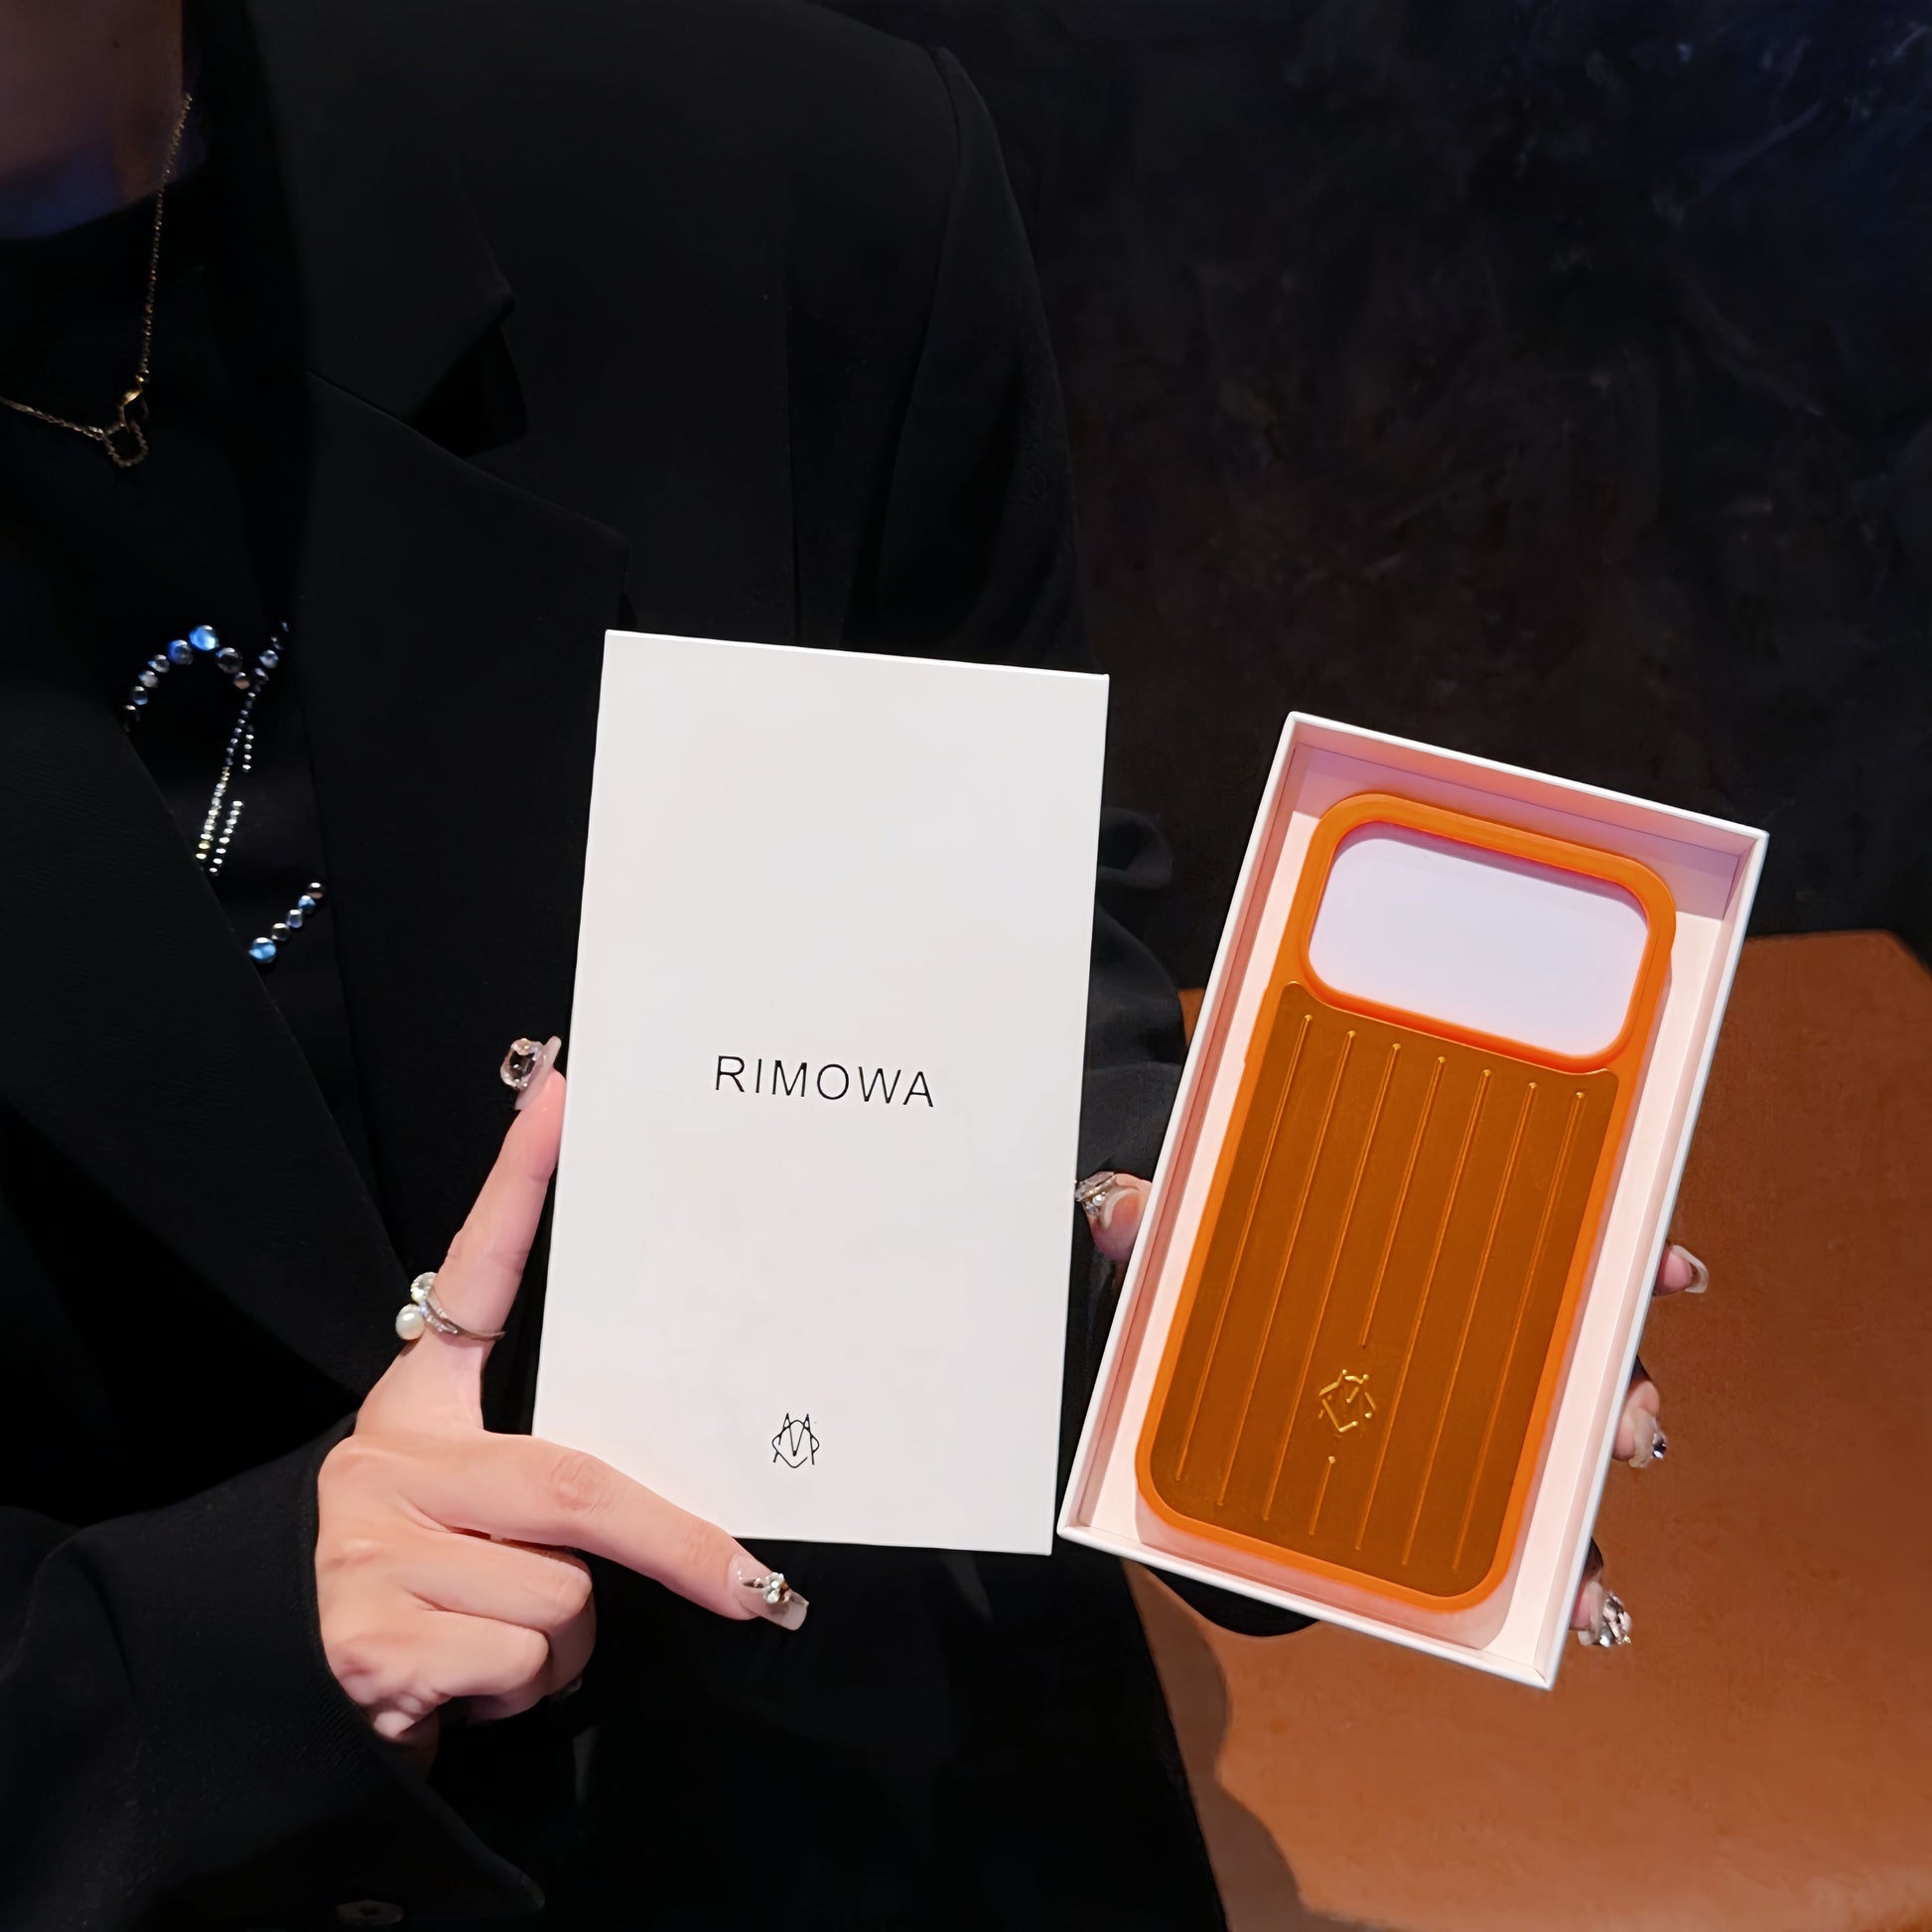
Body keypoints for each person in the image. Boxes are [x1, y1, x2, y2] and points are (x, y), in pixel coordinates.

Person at [0, 1, 1701, 1925]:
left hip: (864, 1795)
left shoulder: (767, 173)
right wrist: (202, 1662)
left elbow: (1003, 923)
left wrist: (1189, 1293)